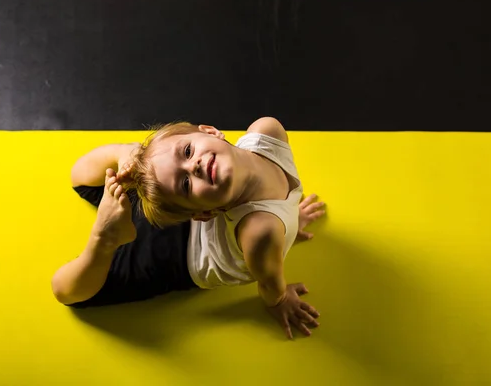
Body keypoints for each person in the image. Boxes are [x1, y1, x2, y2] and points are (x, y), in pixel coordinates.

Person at [51, 117, 326, 339]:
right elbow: (269, 283)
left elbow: (274, 214)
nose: (193, 166)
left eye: (187, 151)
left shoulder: (267, 132)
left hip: (182, 209)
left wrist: (289, 217)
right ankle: (106, 236)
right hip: (183, 256)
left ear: (211, 131)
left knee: (92, 180)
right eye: (185, 181)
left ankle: (142, 166)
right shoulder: (261, 231)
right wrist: (279, 301)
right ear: (205, 214)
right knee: (68, 291)